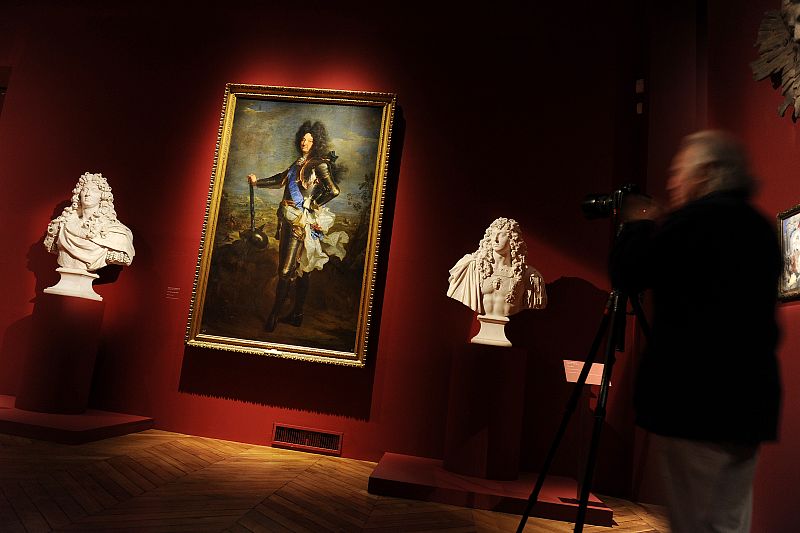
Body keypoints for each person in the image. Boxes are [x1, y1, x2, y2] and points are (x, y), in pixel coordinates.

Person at [610, 130, 782, 533]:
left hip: (695, 401)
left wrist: (636, 222)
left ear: (706, 174)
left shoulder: (694, 223)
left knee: (695, 522)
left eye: (679, 173)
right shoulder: (759, 228)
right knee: (728, 521)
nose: (672, 183)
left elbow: (627, 273)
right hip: (749, 403)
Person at [247, 120, 346, 332]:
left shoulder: (319, 163)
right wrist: (257, 182)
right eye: (303, 138)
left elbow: (334, 191)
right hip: (288, 219)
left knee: (286, 270)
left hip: (299, 222)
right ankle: (297, 315)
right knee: (301, 270)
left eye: (309, 140)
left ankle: (274, 315)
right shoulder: (297, 164)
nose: (305, 142)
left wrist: (313, 205)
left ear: (315, 143)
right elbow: (280, 180)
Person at [44, 172, 135, 272]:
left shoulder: (116, 233)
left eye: (94, 190)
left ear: (102, 196)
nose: (87, 194)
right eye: (84, 190)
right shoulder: (62, 225)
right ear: (79, 194)